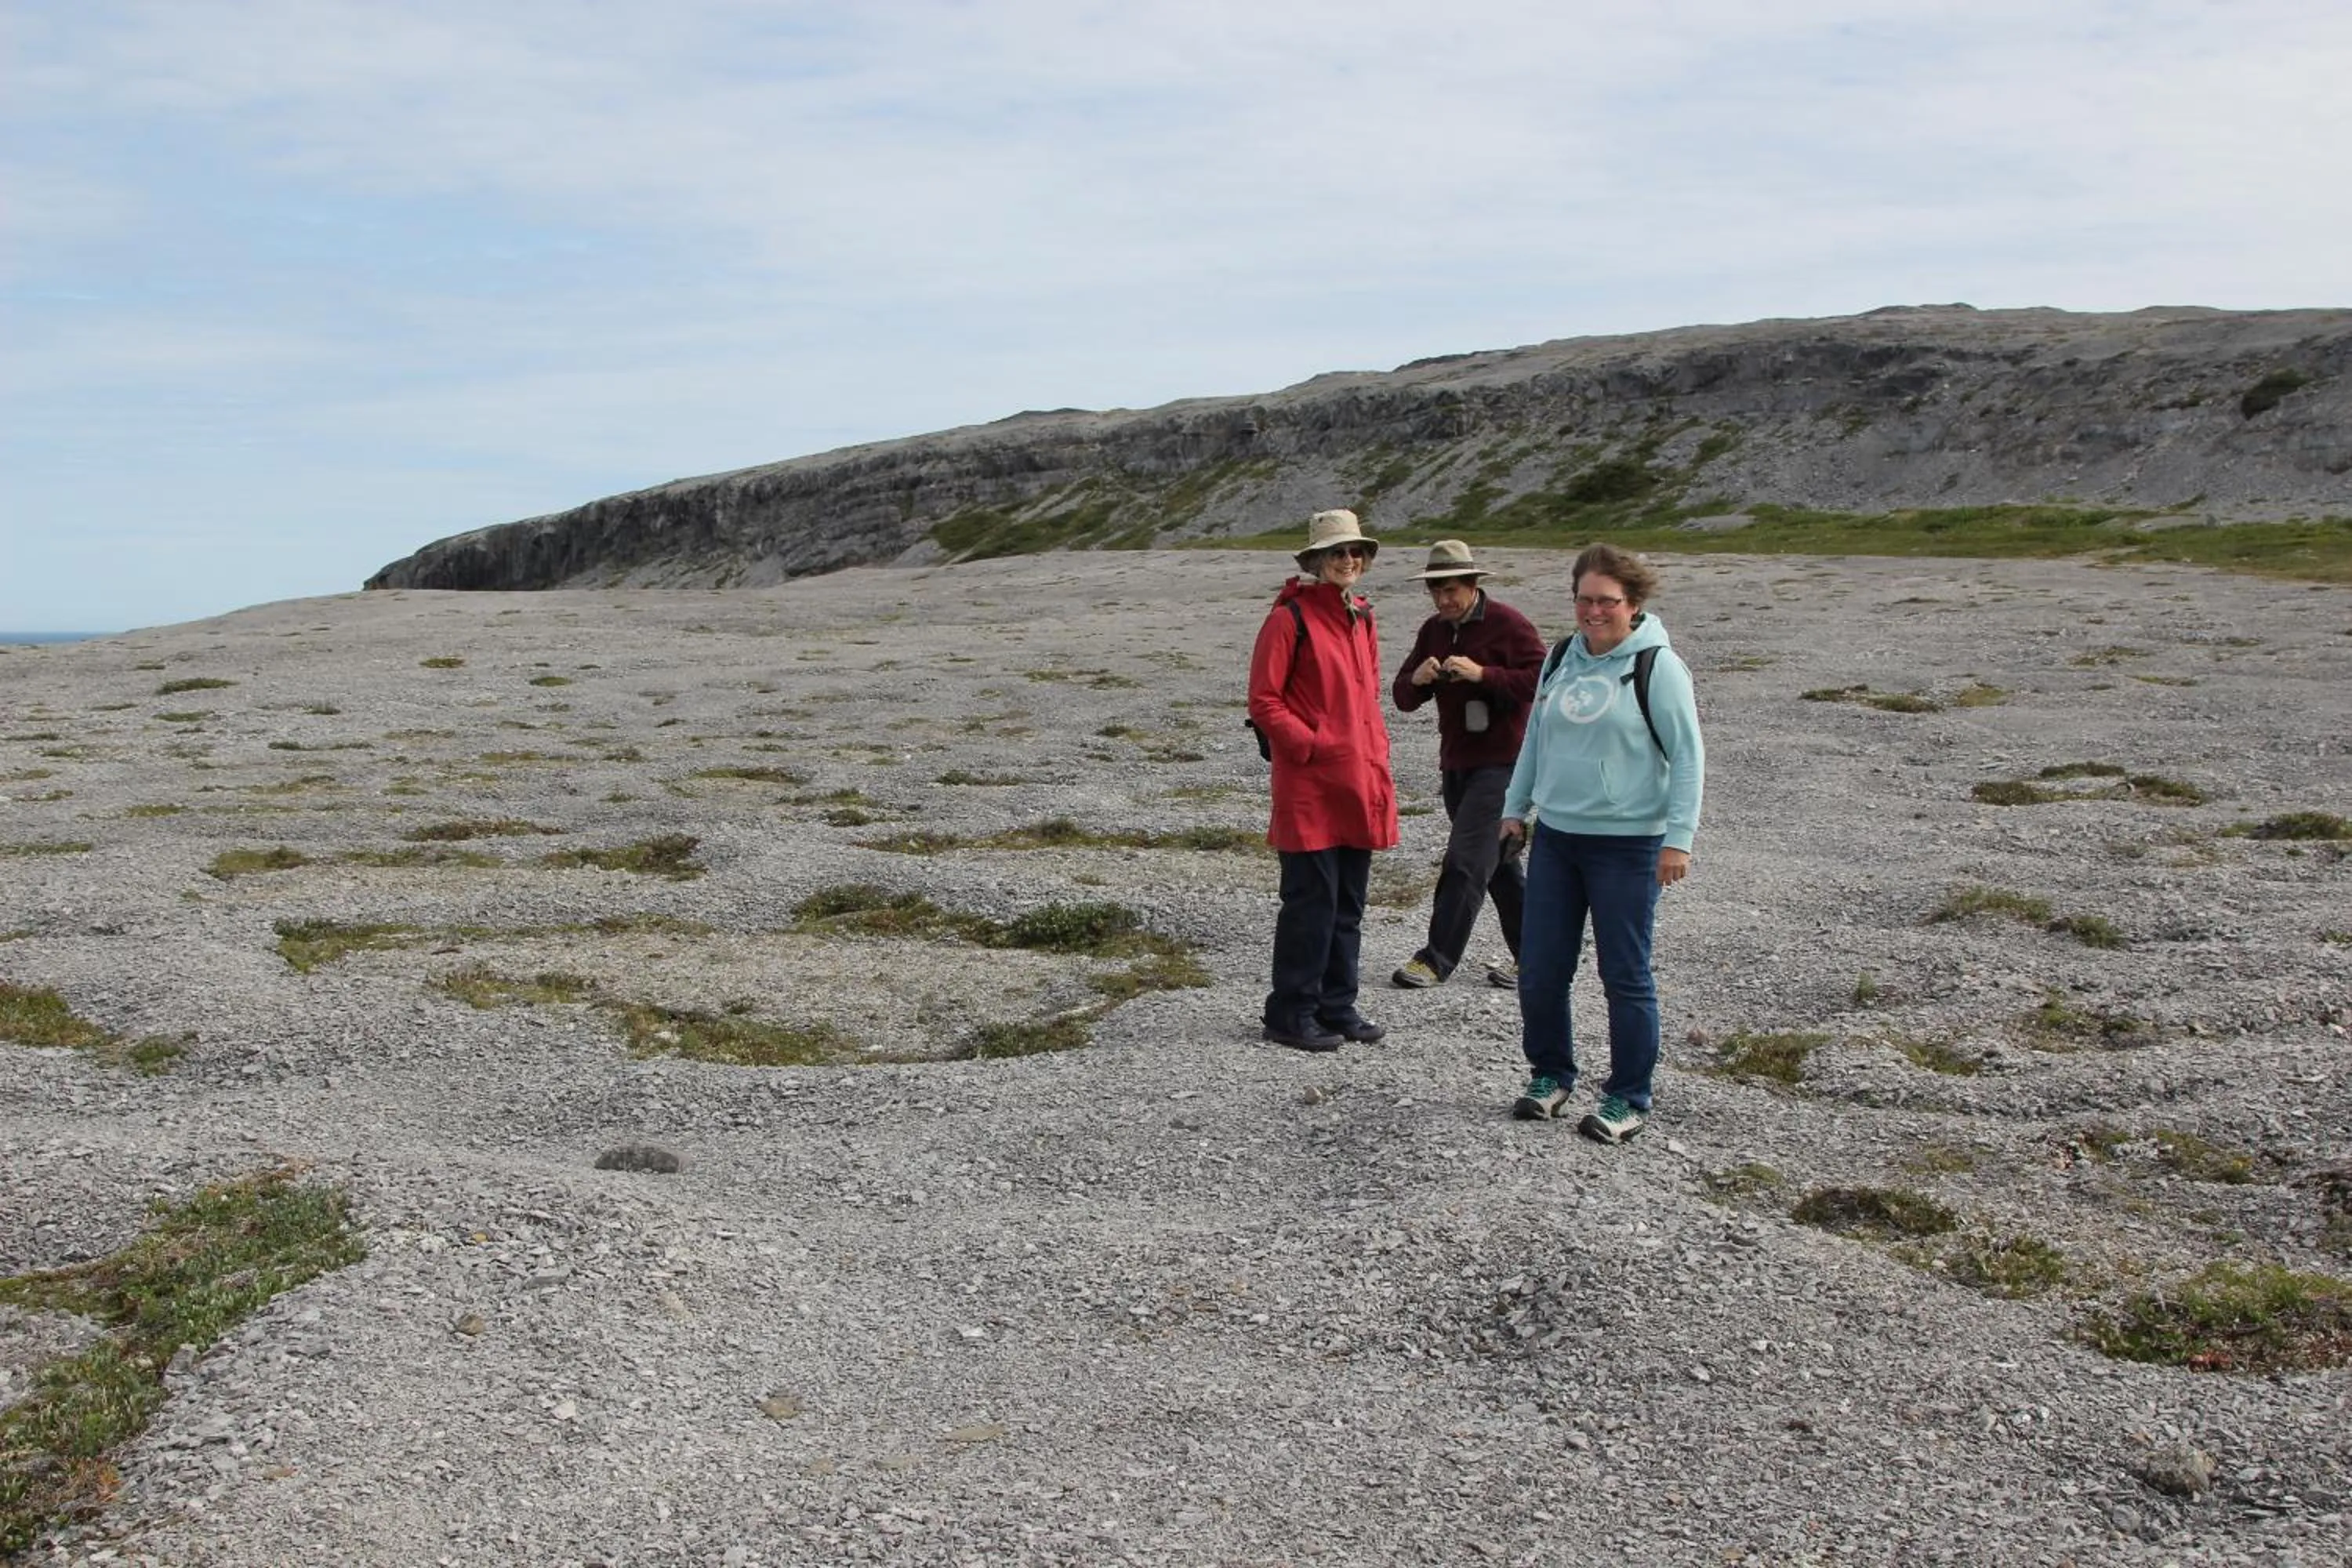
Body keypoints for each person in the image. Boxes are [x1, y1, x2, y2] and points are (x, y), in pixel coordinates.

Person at [1499, 543, 1704, 1142]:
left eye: (1607, 602)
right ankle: (1551, 1075)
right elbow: (1536, 736)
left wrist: (1679, 840)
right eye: (1584, 599)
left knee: (1625, 974)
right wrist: (1516, 807)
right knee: (1540, 967)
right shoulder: (1561, 656)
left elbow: (1688, 758)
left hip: (1630, 845)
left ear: (1633, 604)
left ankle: (1628, 1096)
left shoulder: (1657, 665)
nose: (1593, 612)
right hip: (1560, 838)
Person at [1247, 509, 1400, 1052]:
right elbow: (1264, 700)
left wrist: (1372, 750)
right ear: (1316, 560)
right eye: (1336, 552)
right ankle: (1290, 1011)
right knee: (1312, 903)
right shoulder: (1289, 617)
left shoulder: (1363, 615)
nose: (1347, 560)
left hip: (1357, 780)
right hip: (1311, 785)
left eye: (1355, 551)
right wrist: (1311, 744)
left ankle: (1338, 1005)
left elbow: (1368, 694)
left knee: (1349, 904)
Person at [1388, 539, 1548, 991]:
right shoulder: (1433, 630)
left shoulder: (1508, 624)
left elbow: (1544, 679)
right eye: (1436, 591)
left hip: (1505, 765)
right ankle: (1538, 958)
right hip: (1457, 764)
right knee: (1496, 866)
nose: (1443, 600)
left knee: (1464, 860)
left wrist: (1484, 675)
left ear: (1474, 585)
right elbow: (1402, 697)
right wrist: (1416, 682)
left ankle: (1436, 959)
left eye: (1451, 590)